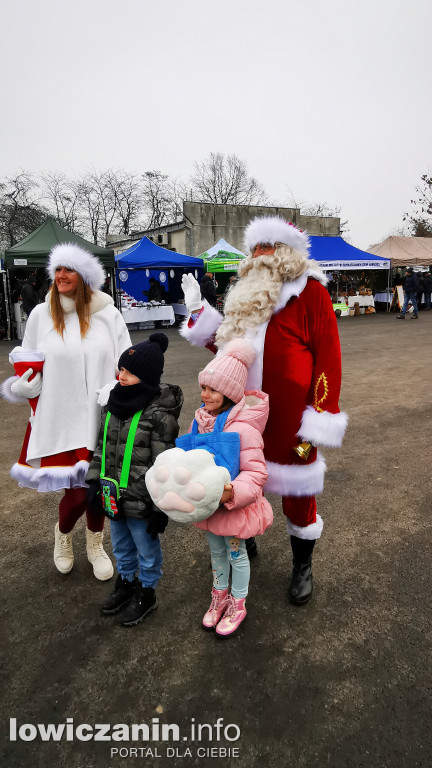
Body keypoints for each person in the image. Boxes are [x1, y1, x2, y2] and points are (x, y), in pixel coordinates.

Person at [180, 216, 347, 606]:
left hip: (294, 421)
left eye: (266, 249)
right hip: (241, 414)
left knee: (298, 490)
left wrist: (320, 417)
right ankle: (243, 539)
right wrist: (198, 314)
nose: (258, 258)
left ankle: (302, 565)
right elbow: (224, 349)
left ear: (286, 253)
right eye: (254, 250)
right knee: (237, 479)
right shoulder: (246, 297)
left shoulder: (311, 293)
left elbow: (329, 359)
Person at [1, 243, 131, 580]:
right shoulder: (42, 315)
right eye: (57, 270)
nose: (61, 275)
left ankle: (94, 543)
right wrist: (23, 386)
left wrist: (124, 392)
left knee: (100, 491)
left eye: (68, 269)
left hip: (100, 418)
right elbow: (25, 361)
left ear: (84, 277)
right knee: (76, 494)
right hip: (59, 418)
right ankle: (63, 536)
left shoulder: (108, 314)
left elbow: (126, 363)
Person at [85, 334, 183, 627]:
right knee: (121, 546)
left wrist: (160, 506)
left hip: (143, 500)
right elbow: (102, 447)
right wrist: (94, 482)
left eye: (129, 372)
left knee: (146, 549)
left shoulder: (159, 415)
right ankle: (126, 581)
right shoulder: (112, 405)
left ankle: (147, 590)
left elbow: (165, 463)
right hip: (113, 495)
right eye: (121, 370)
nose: (121, 376)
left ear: (147, 376)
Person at [190, 339, 273, 636]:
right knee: (216, 553)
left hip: (231, 507)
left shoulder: (244, 429)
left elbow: (256, 473)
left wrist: (231, 492)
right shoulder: (199, 422)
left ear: (229, 393)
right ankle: (219, 596)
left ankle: (238, 602)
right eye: (204, 388)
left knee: (236, 555)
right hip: (210, 508)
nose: (204, 394)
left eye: (212, 389)